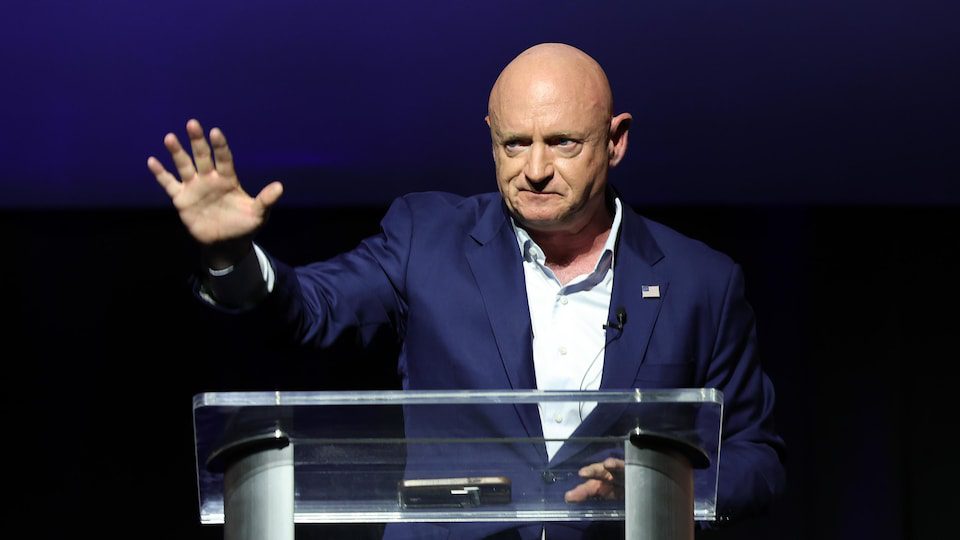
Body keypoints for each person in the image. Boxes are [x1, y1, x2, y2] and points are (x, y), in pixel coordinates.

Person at [149, 43, 785, 538]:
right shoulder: (426, 238)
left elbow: (757, 457)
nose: (535, 170)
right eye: (515, 144)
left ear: (615, 141)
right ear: (491, 137)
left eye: (563, 143)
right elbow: (307, 311)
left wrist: (661, 484)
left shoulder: (702, 281)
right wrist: (231, 255)